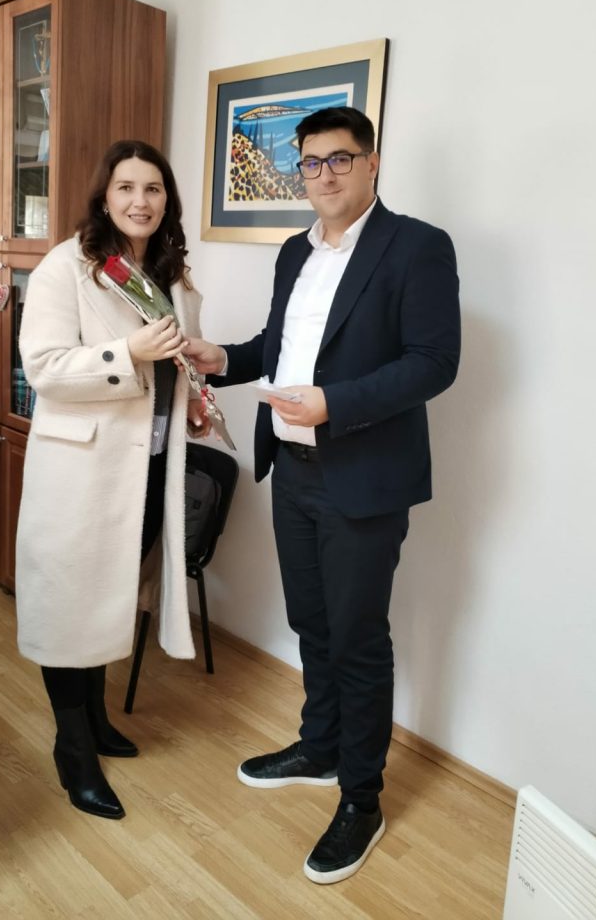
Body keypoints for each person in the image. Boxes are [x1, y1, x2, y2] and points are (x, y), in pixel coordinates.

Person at [186, 107, 460, 883]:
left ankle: (361, 799)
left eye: (341, 158)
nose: (326, 174)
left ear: (372, 164)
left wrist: (334, 404)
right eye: (312, 162)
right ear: (299, 172)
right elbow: (280, 349)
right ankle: (321, 746)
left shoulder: (417, 246)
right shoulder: (293, 252)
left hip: (364, 477)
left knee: (358, 638)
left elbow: (434, 362)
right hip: (294, 469)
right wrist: (223, 359)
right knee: (312, 622)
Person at [15, 139, 210, 820]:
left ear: (167, 200)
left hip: (147, 466)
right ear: (104, 196)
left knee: (109, 598)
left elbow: (174, 369)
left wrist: (191, 405)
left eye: (153, 189)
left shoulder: (172, 276)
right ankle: (72, 749)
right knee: (71, 605)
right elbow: (44, 369)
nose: (140, 201)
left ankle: (95, 720)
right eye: (126, 187)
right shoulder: (65, 267)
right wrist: (125, 350)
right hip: (81, 472)